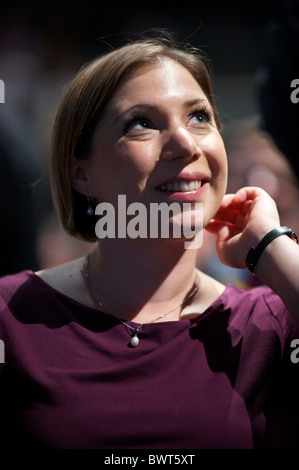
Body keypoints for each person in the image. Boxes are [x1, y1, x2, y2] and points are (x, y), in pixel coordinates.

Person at [0, 33, 299, 450]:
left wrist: (269, 243)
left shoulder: (265, 322)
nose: (185, 144)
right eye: (141, 123)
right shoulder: (12, 316)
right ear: (80, 173)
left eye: (199, 117)